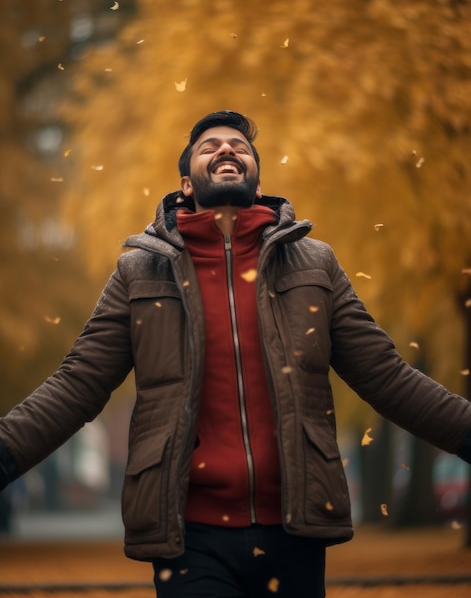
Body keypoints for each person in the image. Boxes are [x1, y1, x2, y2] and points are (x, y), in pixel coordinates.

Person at [1, 110, 471, 598]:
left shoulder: (316, 264)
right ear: (187, 185)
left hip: (294, 529)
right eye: (210, 147)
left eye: (239, 147)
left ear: (258, 179)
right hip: (188, 536)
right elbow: (78, 385)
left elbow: (388, 377)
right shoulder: (139, 273)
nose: (227, 150)